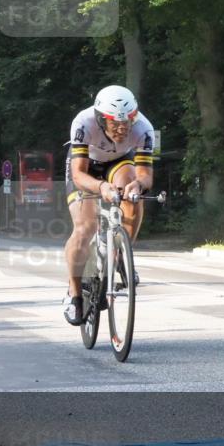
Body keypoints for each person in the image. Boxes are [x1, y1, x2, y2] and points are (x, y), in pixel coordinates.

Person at [63, 85, 154, 325]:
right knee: (85, 228)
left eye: (128, 122)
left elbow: (145, 175)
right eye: (115, 124)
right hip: (86, 167)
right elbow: (78, 174)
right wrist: (101, 187)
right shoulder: (83, 123)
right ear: (101, 119)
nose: (122, 129)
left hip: (119, 162)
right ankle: (74, 294)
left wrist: (138, 185)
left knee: (133, 198)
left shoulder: (144, 128)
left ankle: (121, 252)